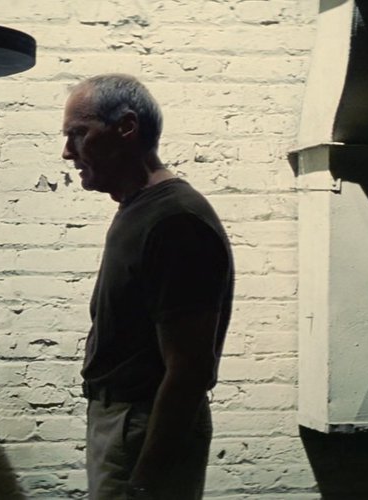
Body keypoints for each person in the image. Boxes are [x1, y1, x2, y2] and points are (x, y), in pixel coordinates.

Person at [62, 74, 234, 500]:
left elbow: (190, 369)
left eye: (79, 134)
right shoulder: (140, 209)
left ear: (126, 127)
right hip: (125, 422)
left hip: (140, 425)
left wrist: (146, 479)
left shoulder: (175, 221)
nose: (67, 152)